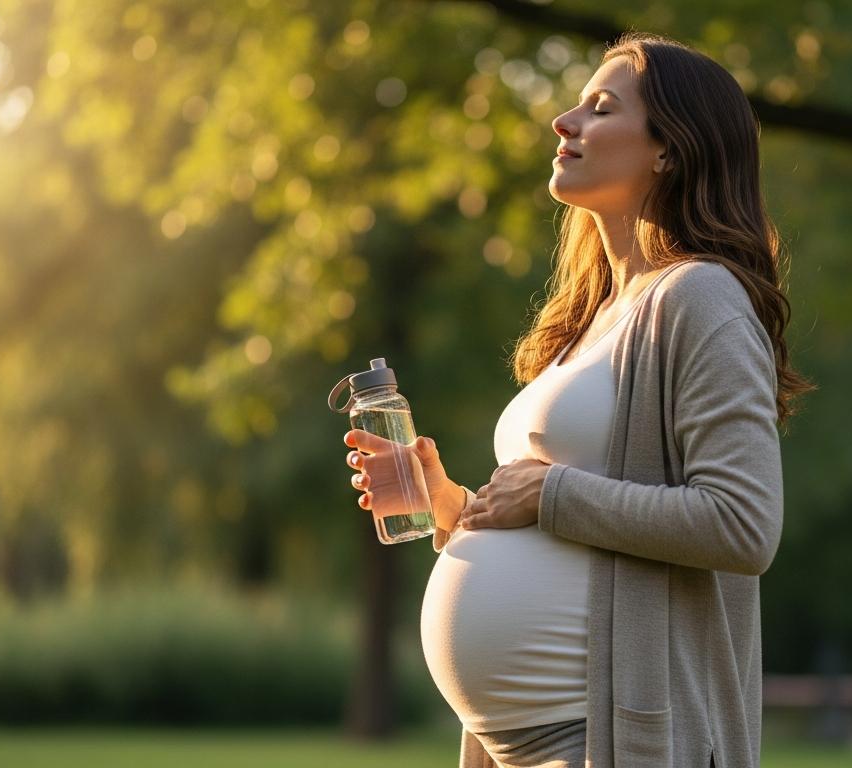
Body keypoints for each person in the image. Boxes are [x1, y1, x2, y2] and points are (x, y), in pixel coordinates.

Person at [344, 32, 811, 768]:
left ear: (669, 149)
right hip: (517, 749)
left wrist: (548, 494)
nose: (564, 121)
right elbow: (565, 517)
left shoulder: (701, 297)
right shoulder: (591, 318)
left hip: (612, 741)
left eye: (599, 108)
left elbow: (743, 524)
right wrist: (456, 512)